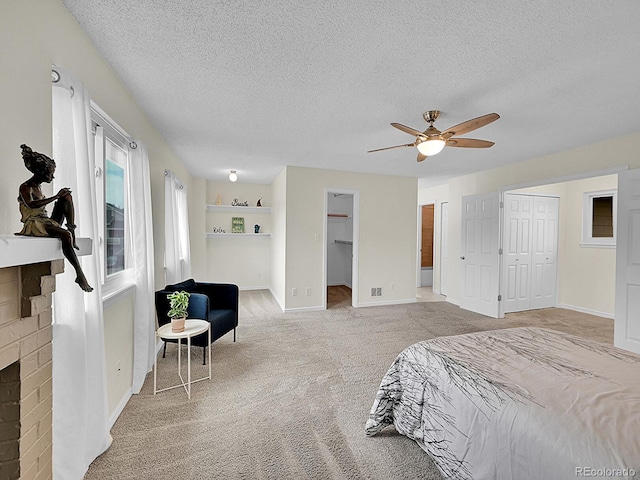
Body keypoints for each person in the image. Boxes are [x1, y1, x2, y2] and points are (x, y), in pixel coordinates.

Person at [16, 144, 93, 292]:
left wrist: (60, 197)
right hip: (34, 224)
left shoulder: (38, 187)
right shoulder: (25, 187)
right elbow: (31, 205)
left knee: (67, 197)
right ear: (40, 172)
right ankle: (79, 273)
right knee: (65, 235)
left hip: (45, 221)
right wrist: (55, 196)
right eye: (50, 174)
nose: (52, 177)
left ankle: (72, 229)